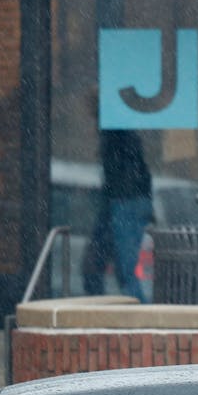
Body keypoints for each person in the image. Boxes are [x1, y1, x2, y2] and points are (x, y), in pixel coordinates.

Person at [82, 91, 153, 302]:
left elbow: (129, 168)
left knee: (125, 268)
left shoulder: (116, 130)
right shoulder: (117, 130)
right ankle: (116, 311)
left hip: (125, 200)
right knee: (110, 267)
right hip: (123, 199)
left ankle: (141, 318)